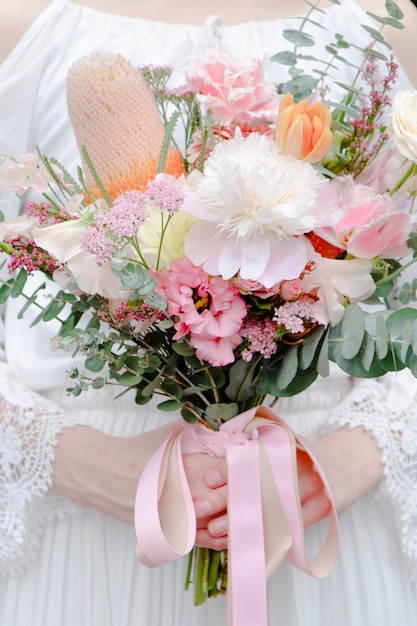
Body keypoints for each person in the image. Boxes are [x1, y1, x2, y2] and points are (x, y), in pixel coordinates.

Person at [0, 1, 417, 625]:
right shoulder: (23, 25)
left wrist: (357, 456)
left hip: (321, 510)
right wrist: (74, 461)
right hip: (95, 527)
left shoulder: (389, 26)